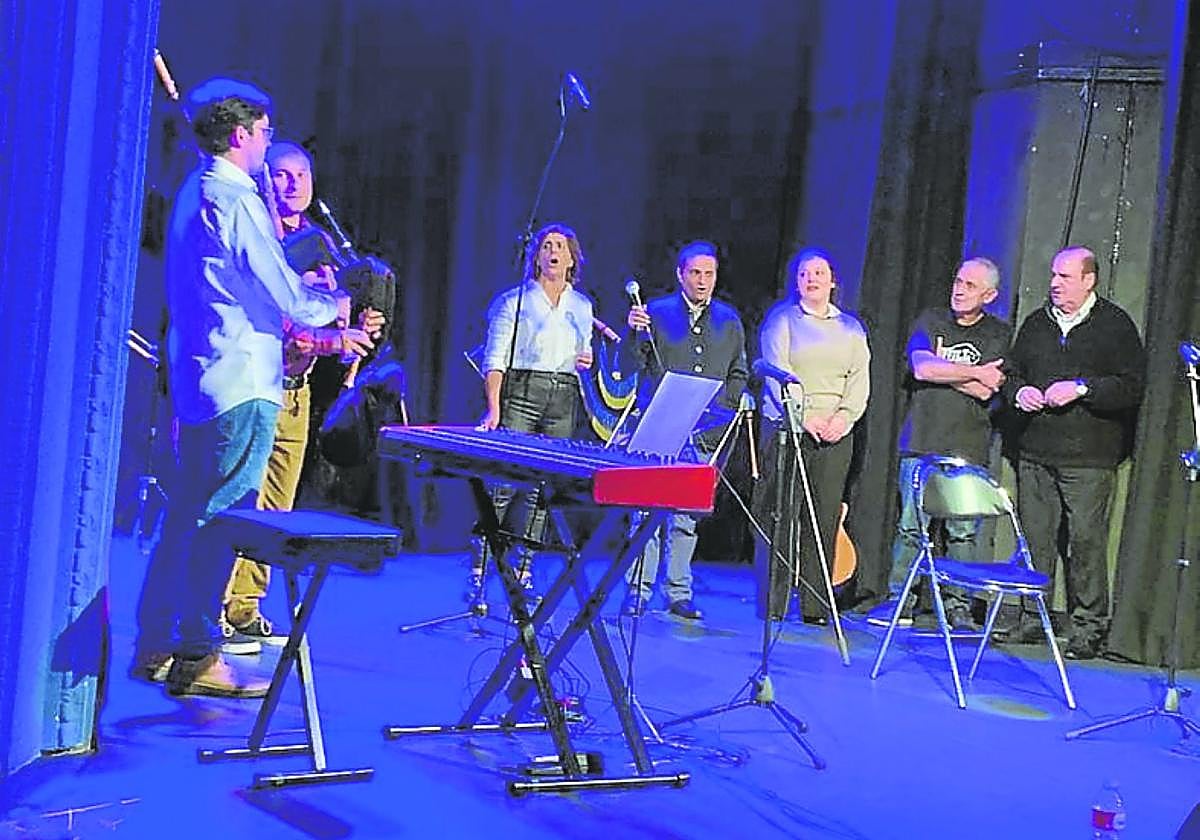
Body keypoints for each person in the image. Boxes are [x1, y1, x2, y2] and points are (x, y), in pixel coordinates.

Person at [131, 78, 362, 698]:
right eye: (263, 133)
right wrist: (334, 305)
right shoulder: (234, 199)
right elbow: (280, 289)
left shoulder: (195, 191)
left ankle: (157, 641)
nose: (267, 142)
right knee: (223, 517)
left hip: (204, 376)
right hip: (240, 381)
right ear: (240, 135)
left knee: (187, 513)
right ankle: (199, 652)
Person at [219, 140, 384, 650]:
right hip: (255, 386)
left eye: (301, 177)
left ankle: (245, 607)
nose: (292, 186)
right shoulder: (259, 238)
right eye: (281, 176)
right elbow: (281, 319)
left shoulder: (320, 245)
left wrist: (356, 324)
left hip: (298, 389)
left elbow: (330, 314)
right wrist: (330, 333)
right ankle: (214, 608)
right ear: (265, 181)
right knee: (239, 501)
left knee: (275, 508)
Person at [1002, 246, 1145, 659]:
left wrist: (1082, 388)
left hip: (1089, 456)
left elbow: (1131, 386)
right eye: (1053, 275)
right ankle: (1032, 617)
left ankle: (1087, 626)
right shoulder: (1036, 323)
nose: (1054, 283)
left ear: (1089, 280)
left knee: (1085, 543)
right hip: (1036, 451)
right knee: (1034, 540)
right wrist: (1020, 392)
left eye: (1064, 277)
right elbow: (1012, 373)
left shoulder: (1114, 325)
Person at [869, 257, 1011, 630]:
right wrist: (974, 371)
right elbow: (922, 368)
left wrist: (951, 372)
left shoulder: (999, 334)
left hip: (968, 447)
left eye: (970, 285)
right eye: (958, 281)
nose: (959, 290)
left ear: (990, 294)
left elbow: (987, 390)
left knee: (962, 533)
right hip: (921, 442)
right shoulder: (930, 321)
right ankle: (900, 602)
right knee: (912, 528)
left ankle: (958, 607)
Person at [619, 241, 748, 620]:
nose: (703, 281)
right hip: (657, 427)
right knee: (645, 512)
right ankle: (638, 590)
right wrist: (632, 333)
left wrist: (722, 409)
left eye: (709, 274)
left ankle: (678, 591)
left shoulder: (728, 320)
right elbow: (630, 366)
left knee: (686, 516)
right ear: (680, 275)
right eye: (695, 273)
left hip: (703, 432)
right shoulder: (655, 313)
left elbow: (738, 371)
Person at [470, 223, 594, 599]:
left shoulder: (582, 306)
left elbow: (582, 352)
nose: (553, 251)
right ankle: (481, 564)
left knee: (545, 487)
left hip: (564, 394)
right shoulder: (515, 301)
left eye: (561, 246)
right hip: (523, 391)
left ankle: (525, 567)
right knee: (505, 481)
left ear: (572, 258)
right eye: (546, 246)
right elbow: (496, 358)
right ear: (536, 255)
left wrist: (584, 361)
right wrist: (493, 407)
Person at [754, 248, 870, 624]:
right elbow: (776, 372)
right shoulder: (782, 320)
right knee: (782, 515)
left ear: (833, 281)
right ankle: (773, 602)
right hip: (791, 427)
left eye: (819, 272)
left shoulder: (851, 329)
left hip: (836, 431)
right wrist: (806, 418)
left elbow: (859, 380)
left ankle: (816, 605)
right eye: (805, 273)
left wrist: (844, 418)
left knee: (822, 517)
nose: (812, 279)